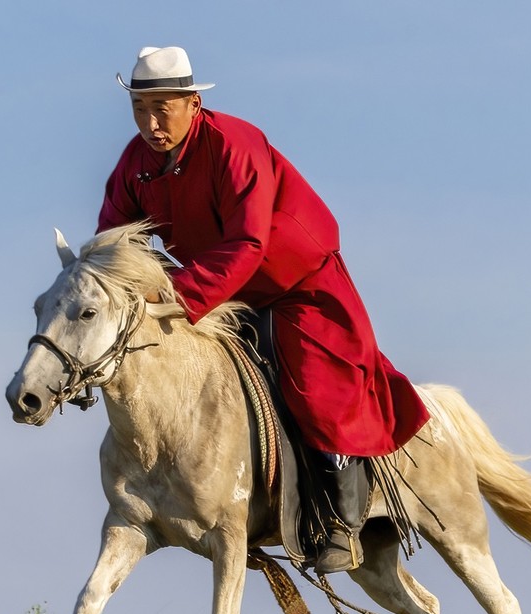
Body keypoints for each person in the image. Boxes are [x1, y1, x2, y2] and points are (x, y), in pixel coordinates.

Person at [97, 46, 429, 573]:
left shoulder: (235, 143)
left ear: (192, 104)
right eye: (140, 109)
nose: (151, 123)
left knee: (317, 388)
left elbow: (249, 242)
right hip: (223, 291)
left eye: (162, 109)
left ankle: (344, 521)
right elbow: (114, 240)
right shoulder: (135, 163)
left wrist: (176, 295)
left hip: (296, 281)